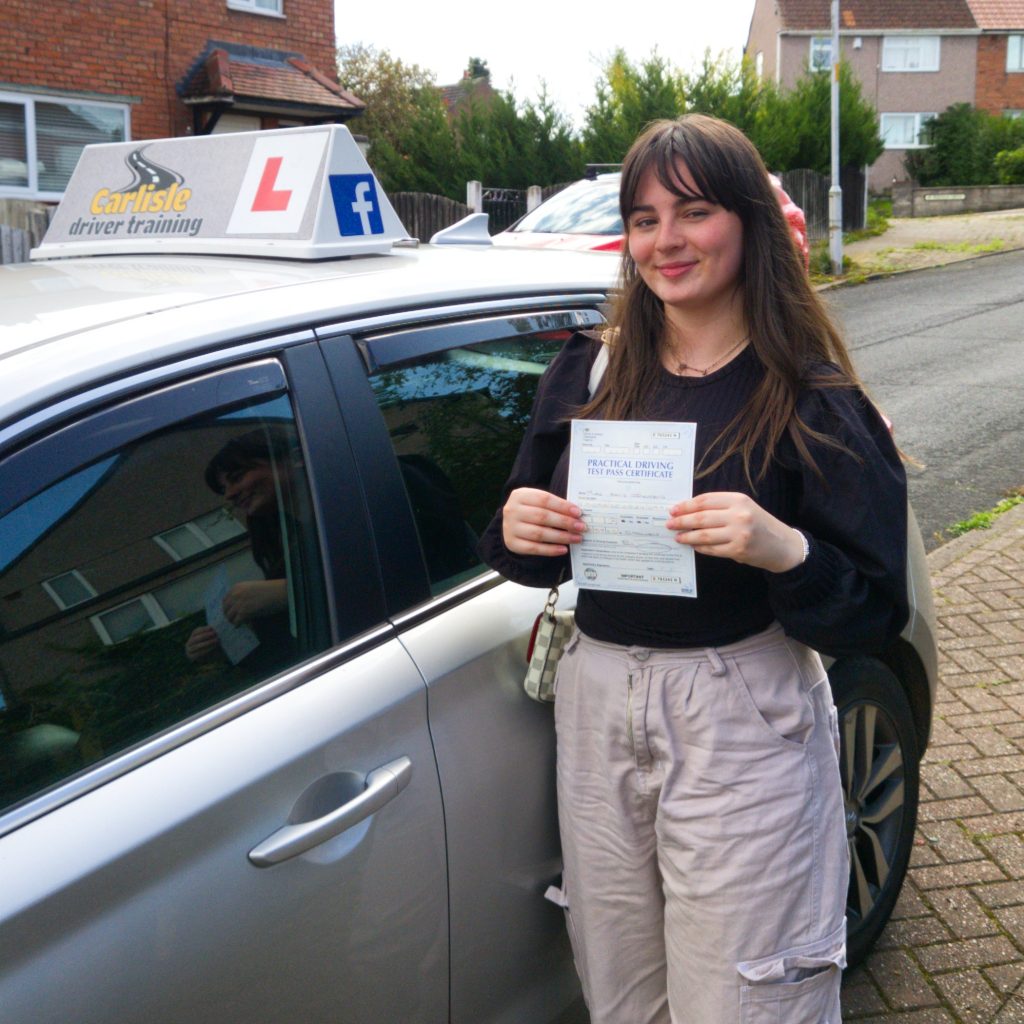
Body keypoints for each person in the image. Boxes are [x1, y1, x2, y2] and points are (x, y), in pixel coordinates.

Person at [478, 115, 908, 1024]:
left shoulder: (808, 392)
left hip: (737, 710)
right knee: (621, 988)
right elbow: (526, 543)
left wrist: (781, 546)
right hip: (596, 702)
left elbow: (873, 613)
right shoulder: (590, 367)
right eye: (642, 218)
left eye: (694, 211)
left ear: (747, 221)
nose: (665, 242)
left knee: (750, 996)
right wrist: (520, 527)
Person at [185, 425, 299, 669]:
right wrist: (226, 645)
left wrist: (290, 592)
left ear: (295, 459)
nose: (229, 495)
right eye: (224, 488)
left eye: (237, 478)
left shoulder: (371, 495)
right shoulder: (282, 541)